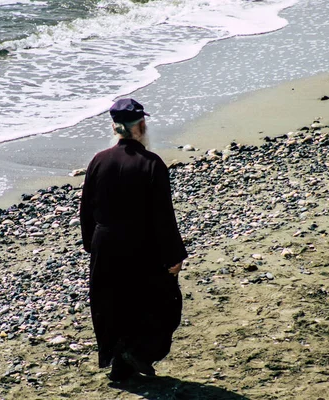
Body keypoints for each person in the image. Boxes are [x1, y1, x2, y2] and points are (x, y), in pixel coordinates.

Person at [80, 98, 187, 381]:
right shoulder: (152, 164)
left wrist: (91, 244)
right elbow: (163, 216)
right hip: (142, 244)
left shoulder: (98, 160)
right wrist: (174, 256)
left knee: (112, 305)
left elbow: (86, 209)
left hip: (105, 243)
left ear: (115, 128)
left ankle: (120, 364)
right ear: (141, 126)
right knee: (159, 303)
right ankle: (136, 355)